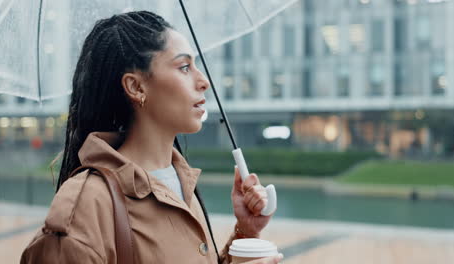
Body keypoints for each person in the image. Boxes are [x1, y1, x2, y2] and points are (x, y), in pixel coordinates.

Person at [20, 11, 283, 264]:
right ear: (135, 87)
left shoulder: (181, 182)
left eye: (196, 66)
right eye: (183, 67)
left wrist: (245, 231)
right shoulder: (87, 207)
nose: (204, 81)